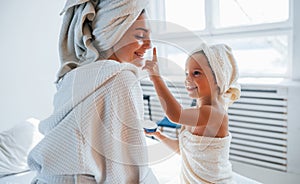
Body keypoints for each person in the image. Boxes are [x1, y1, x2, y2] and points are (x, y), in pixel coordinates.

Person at [27, 0, 159, 183]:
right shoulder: (121, 78)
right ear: (111, 34)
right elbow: (128, 170)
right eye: (139, 36)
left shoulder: (73, 76)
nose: (148, 44)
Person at [143, 43, 241, 183]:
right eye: (186, 73)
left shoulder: (215, 114)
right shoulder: (197, 113)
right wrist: (159, 135)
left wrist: (156, 78)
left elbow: (175, 115)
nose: (188, 79)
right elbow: (184, 151)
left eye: (196, 73)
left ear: (218, 79)